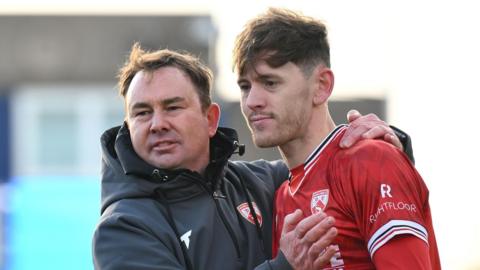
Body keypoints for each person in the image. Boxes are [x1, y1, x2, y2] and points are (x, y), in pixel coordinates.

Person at [92, 43, 412, 270]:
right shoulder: (123, 228)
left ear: (211, 120)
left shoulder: (262, 182)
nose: (157, 124)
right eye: (142, 113)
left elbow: (335, 168)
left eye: (173, 107)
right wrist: (283, 267)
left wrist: (382, 141)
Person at [233, 7, 440, 269]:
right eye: (244, 86)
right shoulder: (282, 195)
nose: (252, 101)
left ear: (321, 86)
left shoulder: (371, 160)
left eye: (270, 83)